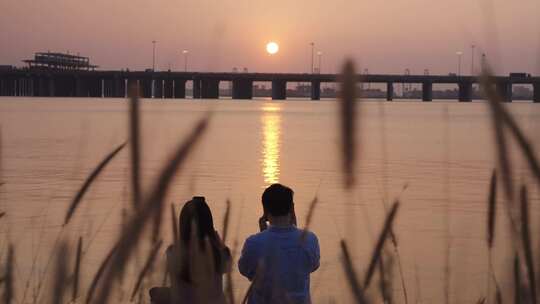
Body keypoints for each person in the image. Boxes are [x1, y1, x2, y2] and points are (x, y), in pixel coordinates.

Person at [238, 184, 320, 304]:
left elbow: (246, 271)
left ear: (265, 210)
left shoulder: (253, 243)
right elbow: (312, 266)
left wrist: (264, 234)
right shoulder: (310, 240)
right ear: (292, 208)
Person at [150, 196, 231, 304]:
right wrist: (218, 242)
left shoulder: (173, 253)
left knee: (154, 293)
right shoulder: (220, 256)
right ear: (209, 226)